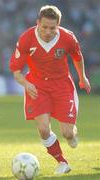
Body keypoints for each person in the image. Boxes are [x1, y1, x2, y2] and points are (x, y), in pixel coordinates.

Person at [9, 5, 91, 175]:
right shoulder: (26, 39)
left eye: (52, 28)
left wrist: (82, 78)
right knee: (44, 129)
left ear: (58, 25)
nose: (47, 31)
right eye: (44, 27)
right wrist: (26, 83)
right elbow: (16, 72)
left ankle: (72, 135)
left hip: (62, 85)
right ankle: (62, 161)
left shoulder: (68, 38)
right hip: (37, 86)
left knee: (68, 134)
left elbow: (78, 57)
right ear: (37, 22)